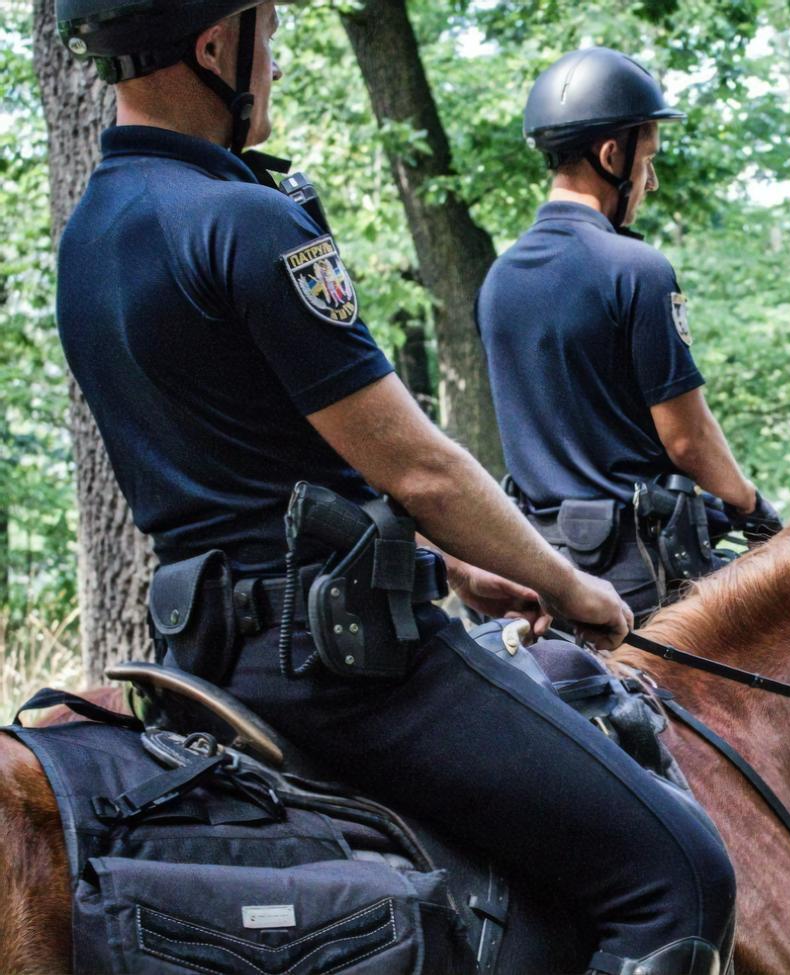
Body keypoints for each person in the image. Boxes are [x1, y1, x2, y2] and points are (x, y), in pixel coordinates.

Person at [52, 2, 734, 972]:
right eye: (267, 36)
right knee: (682, 874)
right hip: (349, 672)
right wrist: (572, 586)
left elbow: (252, 467)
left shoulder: (88, 236)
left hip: (203, 661)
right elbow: (419, 466)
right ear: (212, 45)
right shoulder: (247, 219)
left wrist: (452, 566)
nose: (275, 62)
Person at [477, 47, 782, 623]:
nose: (652, 182)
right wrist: (753, 509)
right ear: (612, 154)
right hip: (640, 581)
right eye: (648, 160)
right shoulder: (636, 270)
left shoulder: (499, 279)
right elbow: (687, 440)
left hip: (540, 575)